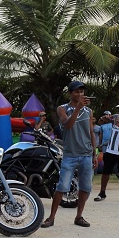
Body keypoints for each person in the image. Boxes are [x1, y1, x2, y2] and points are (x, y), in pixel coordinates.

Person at [41, 81, 97, 228]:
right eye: (77, 92)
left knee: (85, 187)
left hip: (86, 154)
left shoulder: (89, 112)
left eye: (82, 92)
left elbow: (91, 132)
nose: (80, 94)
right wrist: (77, 109)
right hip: (70, 155)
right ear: (70, 93)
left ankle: (79, 217)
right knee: (62, 186)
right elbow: (67, 125)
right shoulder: (62, 109)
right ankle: (51, 217)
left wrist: (95, 154)